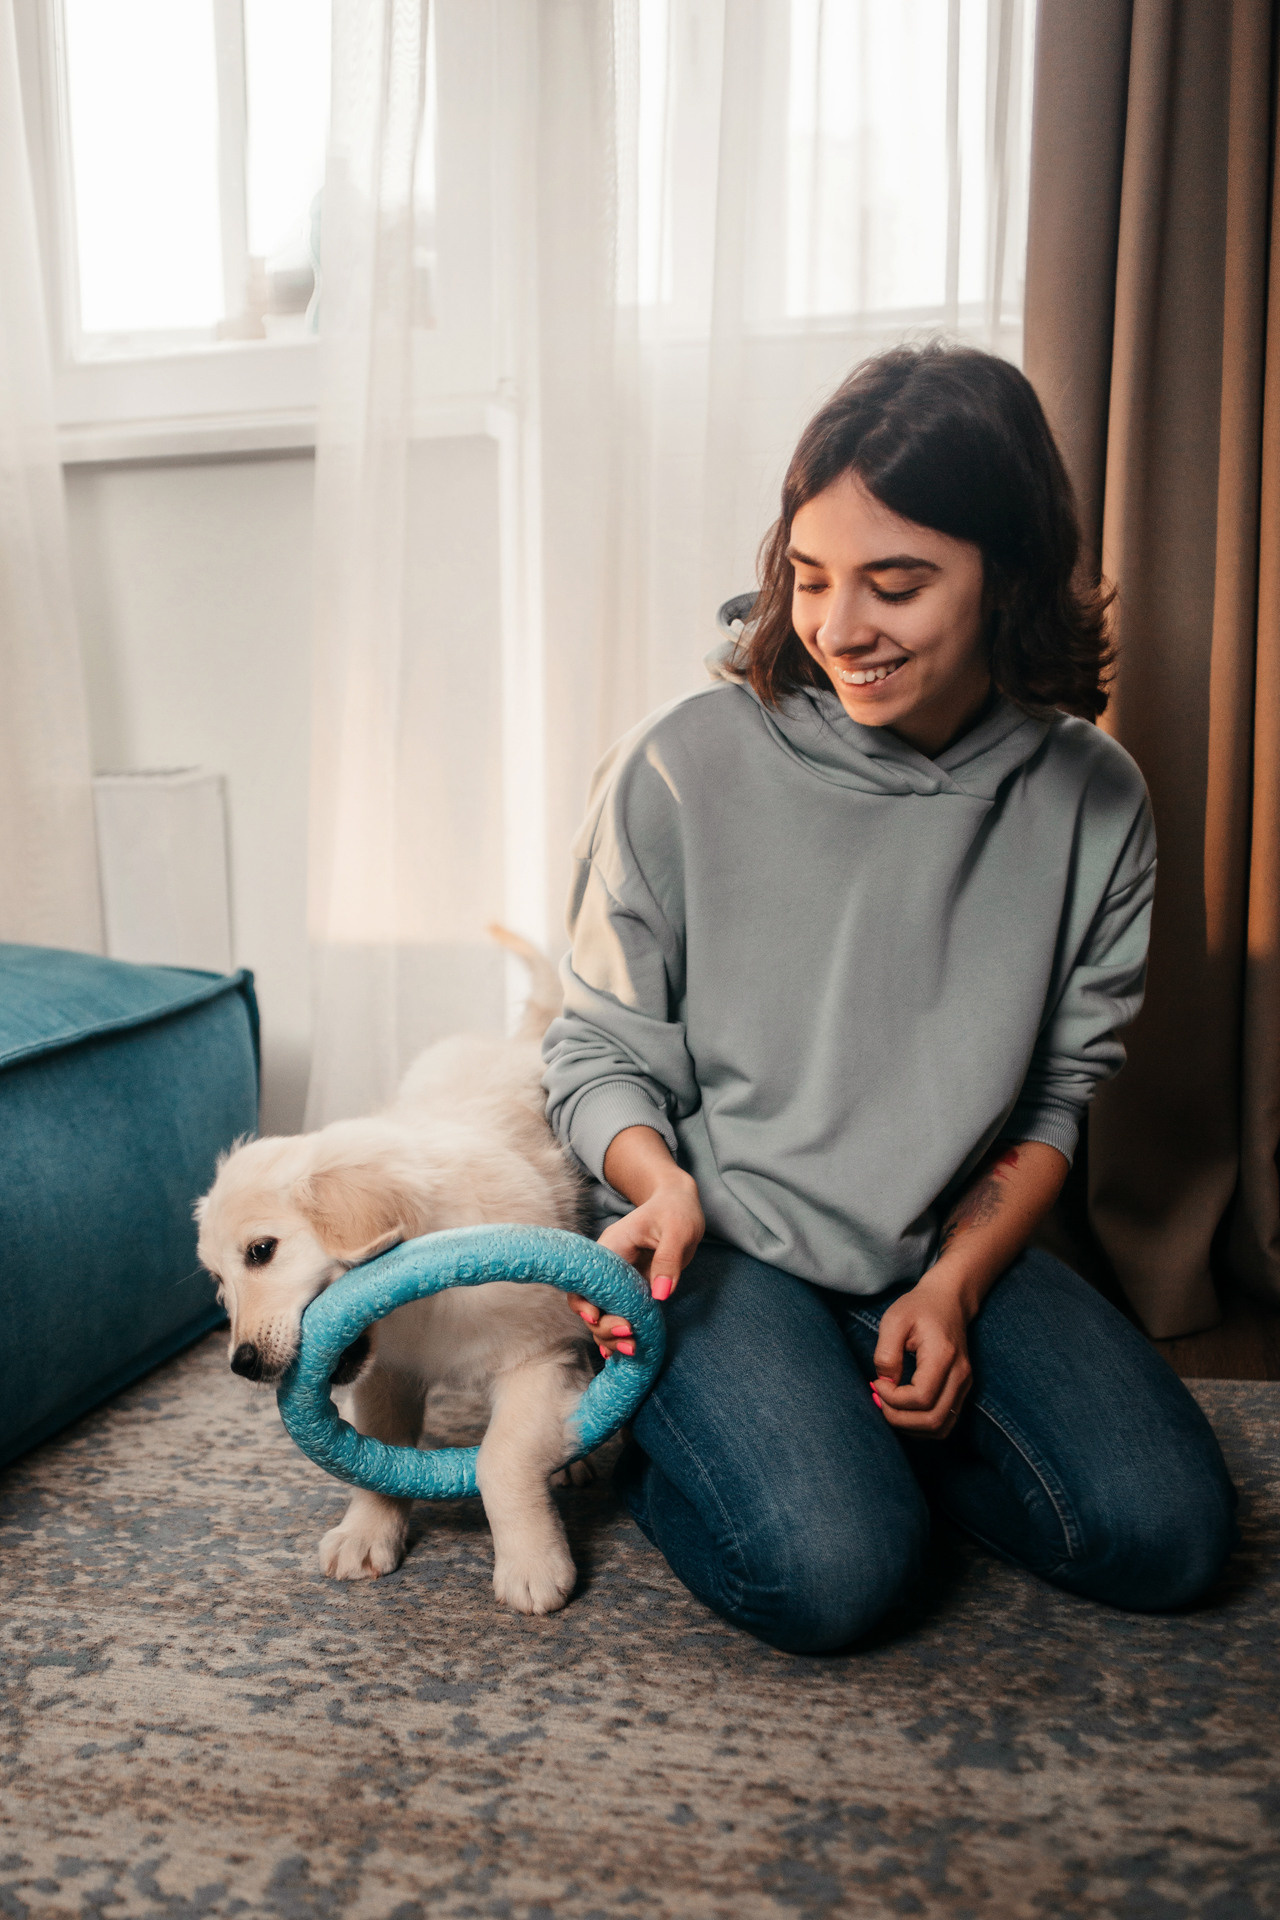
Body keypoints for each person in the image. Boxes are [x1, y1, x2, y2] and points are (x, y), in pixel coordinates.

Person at [541, 343, 1237, 1654]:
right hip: (715, 1240)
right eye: (810, 578)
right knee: (835, 1576)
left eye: (897, 583)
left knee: (1171, 1539)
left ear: (1010, 578)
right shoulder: (681, 761)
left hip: (931, 1234)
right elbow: (595, 1054)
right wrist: (660, 1188)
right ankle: (681, 1431)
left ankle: (829, 1423)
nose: (840, 626)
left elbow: (1054, 1100)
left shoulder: (1094, 798)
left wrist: (958, 1286)